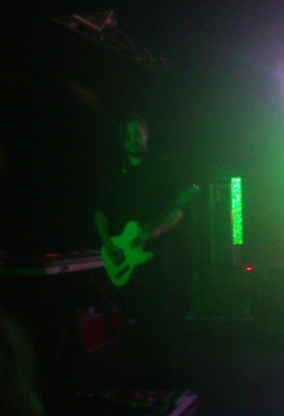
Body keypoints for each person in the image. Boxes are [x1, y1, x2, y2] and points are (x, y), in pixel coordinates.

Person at [94, 113, 190, 380]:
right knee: (129, 318)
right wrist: (107, 243)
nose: (133, 139)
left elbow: (177, 210)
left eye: (137, 133)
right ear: (121, 140)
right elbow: (100, 212)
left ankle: (164, 377)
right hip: (122, 255)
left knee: (157, 317)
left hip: (153, 256)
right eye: (128, 135)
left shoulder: (163, 167)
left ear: (146, 134)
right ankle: (135, 376)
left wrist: (155, 231)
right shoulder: (114, 172)